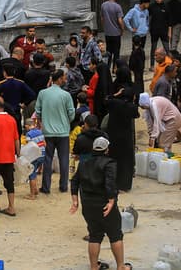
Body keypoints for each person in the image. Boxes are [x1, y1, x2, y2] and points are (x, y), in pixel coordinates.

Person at [69, 137, 131, 270]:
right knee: (115, 235)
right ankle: (121, 266)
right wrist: (111, 201)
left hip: (88, 206)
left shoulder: (84, 163)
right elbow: (109, 183)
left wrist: (75, 201)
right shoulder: (109, 163)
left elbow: (74, 181)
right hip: (105, 205)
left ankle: (93, 266)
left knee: (95, 235)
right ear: (106, 150)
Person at [36, 70, 75, 194]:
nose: (65, 79)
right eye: (64, 77)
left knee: (47, 159)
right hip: (63, 132)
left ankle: (45, 187)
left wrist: (42, 123)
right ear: (59, 79)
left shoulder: (42, 93)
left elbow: (38, 111)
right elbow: (71, 113)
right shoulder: (66, 95)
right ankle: (63, 186)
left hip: (47, 131)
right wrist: (66, 121)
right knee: (64, 159)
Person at [105, 77, 138, 192]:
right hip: (126, 138)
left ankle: (113, 183)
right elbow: (136, 114)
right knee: (126, 161)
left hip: (113, 136)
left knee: (114, 159)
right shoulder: (131, 107)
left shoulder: (114, 103)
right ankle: (125, 185)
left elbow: (106, 100)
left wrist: (116, 94)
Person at [101, 0, 125, 72]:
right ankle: (115, 69)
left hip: (108, 33)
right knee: (116, 52)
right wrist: (122, 29)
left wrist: (105, 27)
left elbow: (102, 18)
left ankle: (107, 68)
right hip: (116, 33)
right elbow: (120, 20)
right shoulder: (117, 7)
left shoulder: (103, 5)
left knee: (109, 52)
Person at [23, 118, 46, 200]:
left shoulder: (29, 134)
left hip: (35, 156)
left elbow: (29, 146)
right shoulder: (40, 131)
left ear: (27, 126)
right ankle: (36, 190)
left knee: (31, 175)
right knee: (35, 172)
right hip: (42, 154)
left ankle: (32, 194)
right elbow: (44, 143)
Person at [148, 0, 170, 70]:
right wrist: (149, 28)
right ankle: (152, 65)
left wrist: (169, 32)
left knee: (167, 48)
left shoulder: (166, 7)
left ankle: (169, 64)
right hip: (154, 31)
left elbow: (169, 21)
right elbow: (148, 17)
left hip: (164, 31)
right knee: (153, 49)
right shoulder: (152, 6)